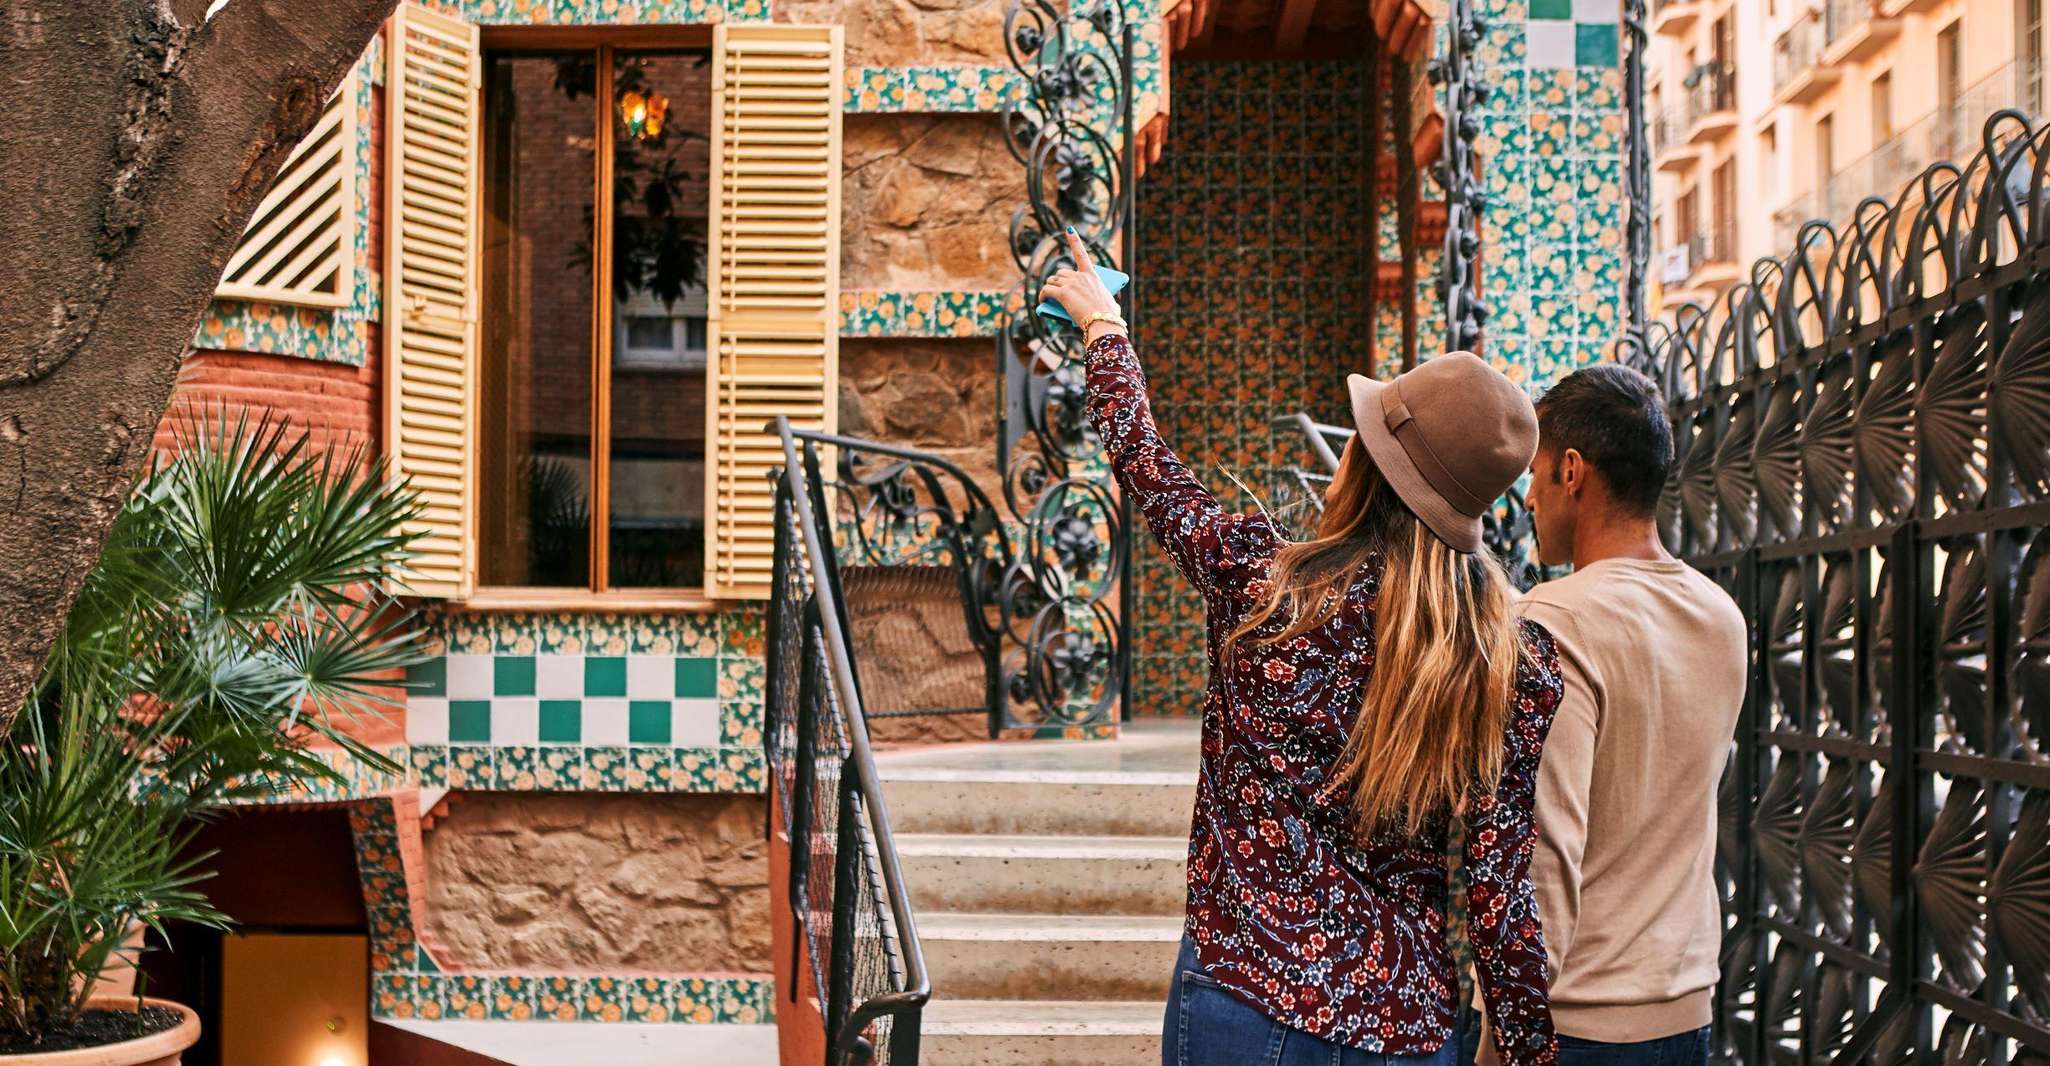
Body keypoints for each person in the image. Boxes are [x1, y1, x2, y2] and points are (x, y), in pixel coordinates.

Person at [1039, 229, 1563, 1066]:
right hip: (1404, 1024)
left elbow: (1148, 467)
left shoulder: (1266, 588)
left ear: (1366, 461)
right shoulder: (1513, 662)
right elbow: (1501, 897)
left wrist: (1107, 333)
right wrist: (1529, 1050)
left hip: (1240, 1002)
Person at [1467, 364, 1745, 1065]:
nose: (1527, 496)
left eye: (1533, 473)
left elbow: (1542, 856)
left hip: (1575, 1020)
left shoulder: (1552, 621)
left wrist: (1502, 1044)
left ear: (1570, 471)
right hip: (1686, 1008)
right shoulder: (1722, 617)